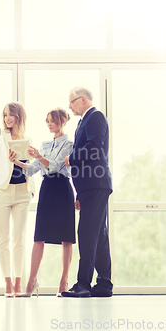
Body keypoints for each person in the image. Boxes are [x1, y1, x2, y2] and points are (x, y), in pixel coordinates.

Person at [10, 108, 75, 298]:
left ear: (62, 120)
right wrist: (19, 162)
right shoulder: (45, 144)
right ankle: (31, 282)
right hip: (47, 189)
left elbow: (55, 166)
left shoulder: (70, 145)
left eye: (52, 120)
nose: (49, 124)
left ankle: (63, 282)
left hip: (62, 188)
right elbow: (33, 170)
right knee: (39, 236)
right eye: (47, 121)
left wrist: (39, 156)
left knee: (66, 237)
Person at [61, 87, 113, 298]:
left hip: (96, 183)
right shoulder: (83, 121)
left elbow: (94, 148)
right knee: (98, 235)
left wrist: (70, 158)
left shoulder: (95, 117)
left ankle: (83, 284)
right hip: (89, 186)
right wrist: (80, 193)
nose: (69, 106)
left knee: (87, 233)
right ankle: (103, 284)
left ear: (82, 100)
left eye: (71, 102)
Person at [0, 102, 35, 297]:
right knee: (3, 237)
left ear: (19, 117)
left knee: (19, 238)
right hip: (3, 192)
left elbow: (31, 167)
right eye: (6, 115)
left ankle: (18, 282)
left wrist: (31, 189)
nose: (8, 118)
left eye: (12, 115)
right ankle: (7, 281)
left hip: (22, 192)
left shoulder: (27, 139)